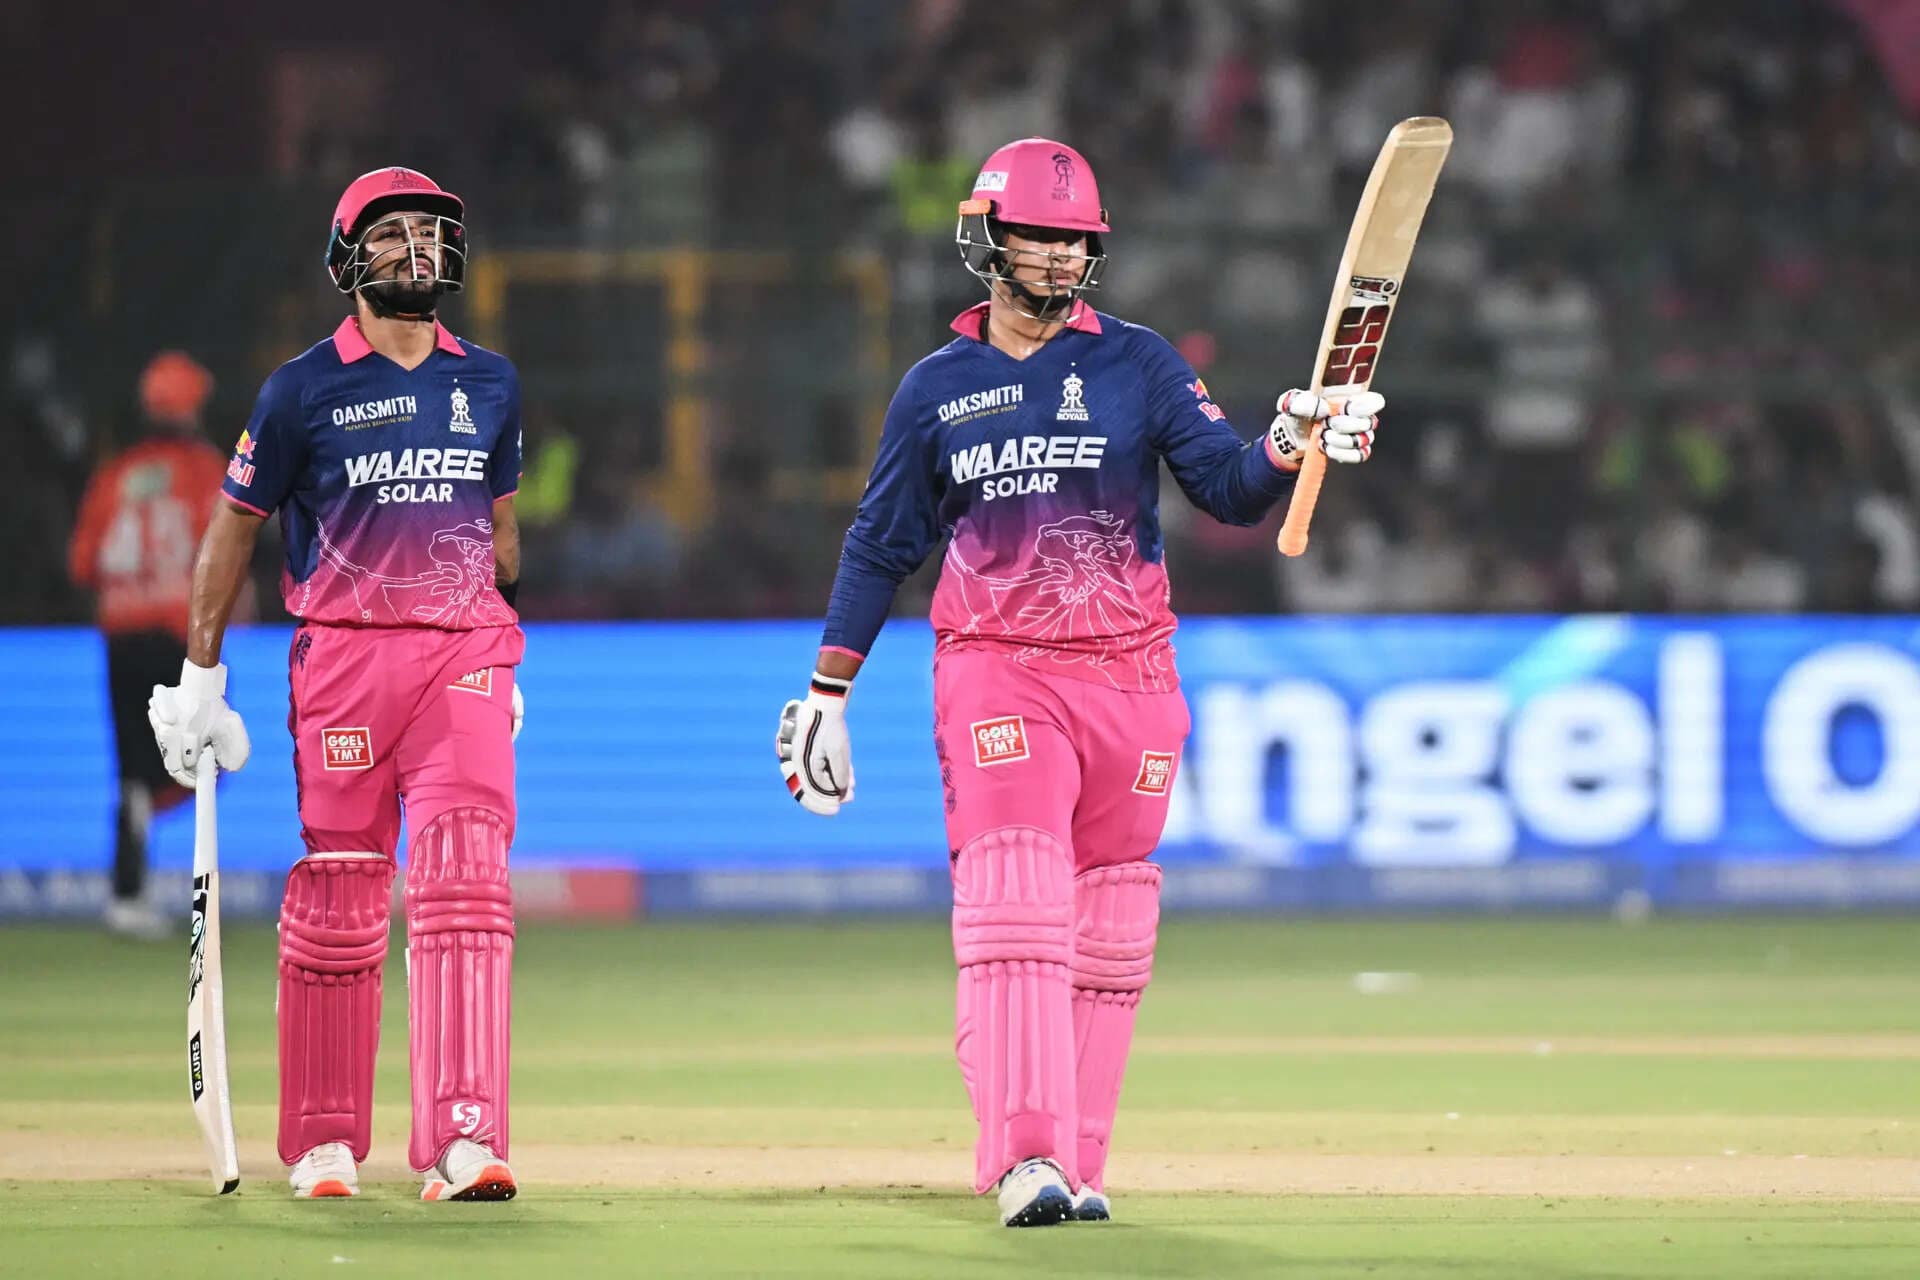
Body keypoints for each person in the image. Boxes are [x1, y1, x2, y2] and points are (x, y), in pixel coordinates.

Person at [776, 138, 1384, 1228]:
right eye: (1038, 236)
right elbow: (880, 544)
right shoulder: (936, 388)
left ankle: (1079, 1163)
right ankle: (1025, 1157)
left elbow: (1229, 488)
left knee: (1111, 926)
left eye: (1075, 240)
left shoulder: (1140, 364)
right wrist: (829, 689)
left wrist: (1293, 438)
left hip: (1133, 672)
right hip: (998, 664)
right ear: (987, 239)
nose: (1059, 256)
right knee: (1016, 900)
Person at [145, 167, 527, 1201]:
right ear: (347, 258)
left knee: (466, 880)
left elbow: (500, 532)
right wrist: (201, 674)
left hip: (462, 656)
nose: (417, 249)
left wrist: (501, 649)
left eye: (431, 232)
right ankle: (323, 1140)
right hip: (346, 660)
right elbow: (234, 527)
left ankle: (464, 1136)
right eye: (393, 233)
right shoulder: (300, 389)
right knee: (343, 893)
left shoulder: (491, 382)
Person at [68, 351, 227, 938]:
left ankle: (127, 892)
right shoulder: (203, 468)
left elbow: (82, 563)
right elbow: (226, 545)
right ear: (189, 408)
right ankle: (154, 877)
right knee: (210, 757)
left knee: (135, 768)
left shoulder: (115, 474)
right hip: (175, 634)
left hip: (120, 634)